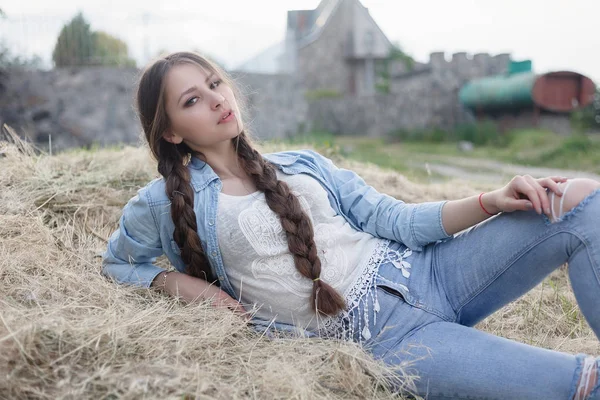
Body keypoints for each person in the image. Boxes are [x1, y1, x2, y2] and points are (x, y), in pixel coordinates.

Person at [102, 51, 600, 399]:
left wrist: (491, 200)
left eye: (214, 83)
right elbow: (120, 262)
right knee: (584, 383)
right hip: (386, 340)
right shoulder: (164, 202)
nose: (215, 99)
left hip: (429, 271)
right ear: (169, 130)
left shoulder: (301, 163)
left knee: (576, 200)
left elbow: (396, 219)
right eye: (191, 100)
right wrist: (187, 287)